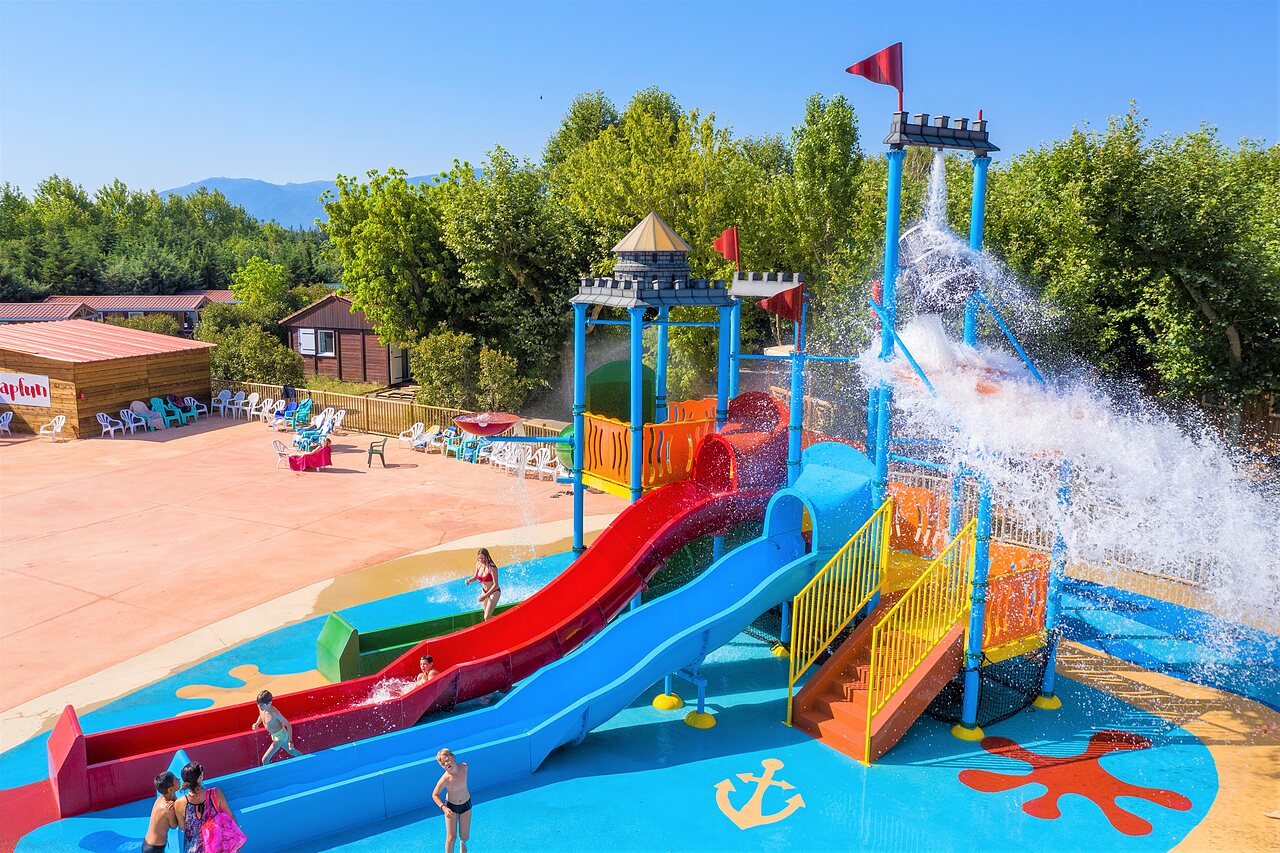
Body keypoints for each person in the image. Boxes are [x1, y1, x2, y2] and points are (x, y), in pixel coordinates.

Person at [174, 762, 240, 853]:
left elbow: (182, 828)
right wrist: (235, 839)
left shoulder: (179, 803)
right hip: (217, 847)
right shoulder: (215, 793)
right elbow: (231, 817)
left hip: (194, 849)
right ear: (200, 777)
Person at [432, 748, 471, 853]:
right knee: (451, 838)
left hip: (466, 805)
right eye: (443, 763)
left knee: (465, 836)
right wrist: (443, 807)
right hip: (451, 808)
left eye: (447, 760)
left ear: (453, 757)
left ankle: (462, 843)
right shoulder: (445, 779)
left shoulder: (464, 767)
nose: (446, 764)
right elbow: (434, 795)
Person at [252, 689, 302, 765]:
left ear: (269, 703)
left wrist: (290, 741)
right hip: (274, 735)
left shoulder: (274, 713)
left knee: (265, 760)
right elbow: (261, 716)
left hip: (281, 737)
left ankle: (270, 775)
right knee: (291, 751)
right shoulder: (262, 708)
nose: (259, 706)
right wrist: (257, 723)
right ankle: (306, 759)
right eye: (258, 704)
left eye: (261, 704)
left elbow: (288, 724)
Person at [142, 771, 179, 853]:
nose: (179, 779)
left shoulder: (162, 798)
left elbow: (176, 800)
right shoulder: (167, 808)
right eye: (176, 779)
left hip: (149, 843)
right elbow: (174, 826)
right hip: (154, 848)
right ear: (170, 789)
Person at [465, 548, 501, 620]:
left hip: (494, 592)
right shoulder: (478, 564)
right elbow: (475, 577)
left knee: (487, 617)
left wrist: (485, 596)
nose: (481, 560)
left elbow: (495, 584)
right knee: (486, 615)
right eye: (479, 558)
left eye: (483, 558)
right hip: (484, 592)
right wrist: (469, 580)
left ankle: (504, 621)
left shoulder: (492, 568)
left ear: (487, 557)